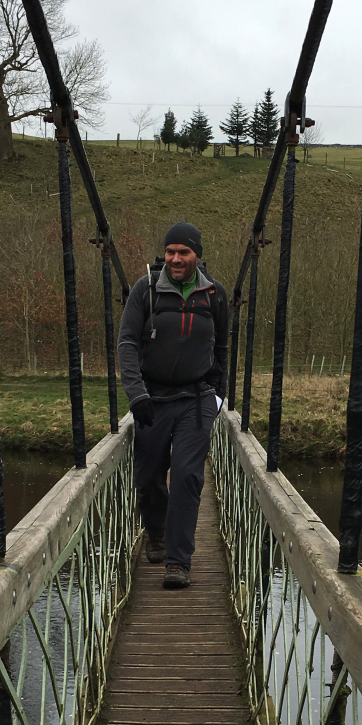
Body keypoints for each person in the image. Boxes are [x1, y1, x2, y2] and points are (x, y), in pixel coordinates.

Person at [117, 222, 228, 589]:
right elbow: (127, 343)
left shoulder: (214, 294)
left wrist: (218, 394)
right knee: (148, 477)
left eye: (184, 252)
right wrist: (136, 394)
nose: (176, 259)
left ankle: (179, 562)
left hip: (196, 401)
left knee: (187, 477)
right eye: (171, 252)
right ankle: (156, 531)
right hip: (152, 398)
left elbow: (223, 349)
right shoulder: (145, 289)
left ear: (197, 254)